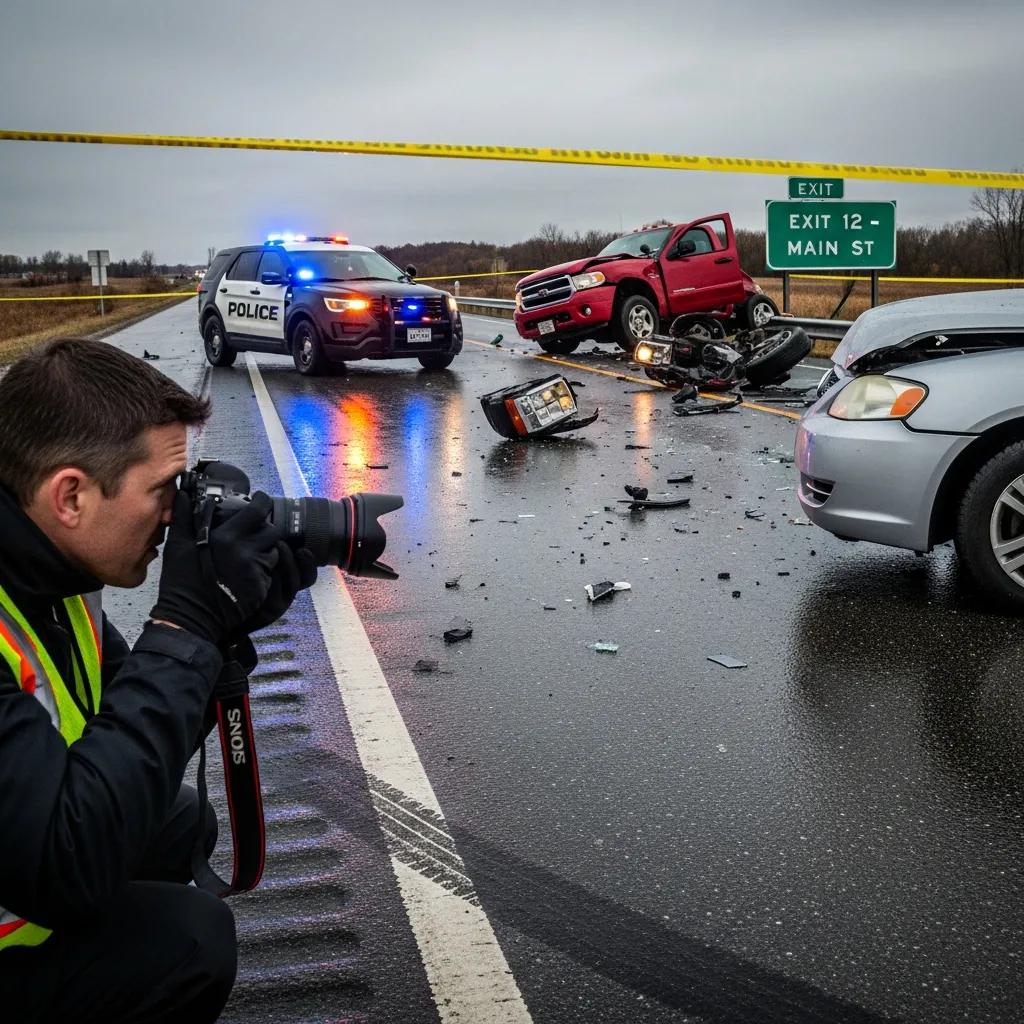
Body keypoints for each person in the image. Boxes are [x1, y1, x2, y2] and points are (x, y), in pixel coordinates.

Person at [0, 338, 316, 1023]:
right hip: (32, 888)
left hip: (27, 866)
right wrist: (186, 625)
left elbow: (128, 718)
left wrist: (223, 634)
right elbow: (62, 866)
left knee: (177, 819)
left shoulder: (48, 567)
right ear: (72, 496)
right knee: (189, 941)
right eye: (161, 491)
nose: (175, 516)